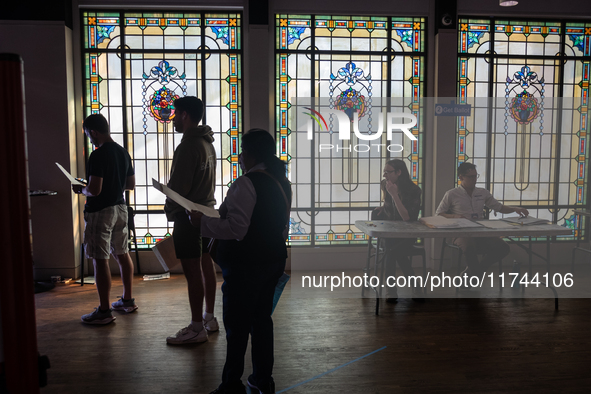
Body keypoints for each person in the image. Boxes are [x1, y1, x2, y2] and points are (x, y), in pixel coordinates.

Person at [188, 128, 291, 394]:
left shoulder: (246, 183)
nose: (240, 157)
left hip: (246, 265)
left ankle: (231, 385)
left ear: (252, 153)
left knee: (236, 327)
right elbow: (281, 227)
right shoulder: (282, 180)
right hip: (273, 260)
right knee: (261, 322)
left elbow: (237, 229)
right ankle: (262, 379)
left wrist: (203, 223)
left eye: (243, 151)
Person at [164, 96, 219, 345]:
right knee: (206, 264)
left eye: (176, 113)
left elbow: (180, 188)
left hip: (188, 215)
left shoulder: (188, 146)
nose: (173, 118)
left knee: (191, 271)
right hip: (206, 211)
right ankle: (209, 317)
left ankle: (196, 328)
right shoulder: (208, 143)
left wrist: (169, 204)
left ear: (185, 114)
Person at [73, 113, 137, 325]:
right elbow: (130, 185)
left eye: (88, 134)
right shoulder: (122, 152)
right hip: (121, 208)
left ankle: (104, 311)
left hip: (101, 212)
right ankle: (127, 300)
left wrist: (81, 189)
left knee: (100, 260)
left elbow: (94, 190)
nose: (90, 139)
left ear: (94, 132)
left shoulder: (98, 155)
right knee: (122, 253)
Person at [436, 162, 529, 276]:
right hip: (460, 233)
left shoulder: (482, 193)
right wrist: (455, 216)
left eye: (476, 176)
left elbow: (498, 207)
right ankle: (475, 275)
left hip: (480, 231)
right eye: (471, 177)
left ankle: (474, 273)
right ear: (461, 177)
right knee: (469, 247)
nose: (474, 179)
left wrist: (515, 209)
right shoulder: (452, 194)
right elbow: (439, 214)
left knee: (503, 247)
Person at [373, 159, 423, 303]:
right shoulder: (385, 185)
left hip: (407, 235)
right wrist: (384, 207)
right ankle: (414, 286)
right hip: (389, 234)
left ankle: (391, 290)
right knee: (392, 248)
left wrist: (395, 195)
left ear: (399, 172)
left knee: (392, 250)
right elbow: (387, 203)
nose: (385, 175)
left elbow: (407, 218)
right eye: (384, 172)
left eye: (388, 172)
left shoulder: (414, 191)